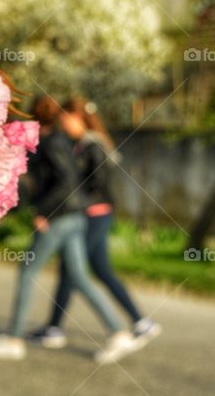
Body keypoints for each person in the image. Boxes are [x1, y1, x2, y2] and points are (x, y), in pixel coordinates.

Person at [0, 96, 137, 363]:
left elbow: (65, 182)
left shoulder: (50, 142)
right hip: (74, 216)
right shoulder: (62, 141)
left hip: (59, 217)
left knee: (28, 270)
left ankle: (14, 339)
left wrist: (44, 212)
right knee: (80, 277)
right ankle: (119, 333)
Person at [30, 98, 162, 350]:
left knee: (71, 269)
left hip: (96, 214)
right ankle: (141, 322)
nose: (63, 123)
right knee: (100, 270)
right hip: (90, 214)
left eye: (68, 118)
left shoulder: (93, 146)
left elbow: (97, 183)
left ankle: (55, 328)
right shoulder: (79, 145)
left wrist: (74, 201)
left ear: (81, 119)